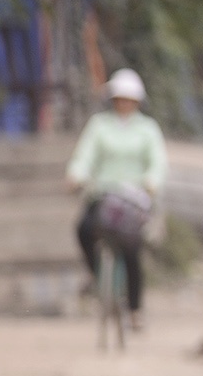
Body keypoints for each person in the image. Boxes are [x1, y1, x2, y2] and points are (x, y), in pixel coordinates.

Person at [68, 69, 168, 331]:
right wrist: (76, 176)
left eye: (129, 99)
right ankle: (95, 273)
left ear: (137, 102)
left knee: (132, 249)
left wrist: (151, 183)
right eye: (119, 98)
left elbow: (158, 163)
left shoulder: (147, 129)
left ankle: (135, 309)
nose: (123, 104)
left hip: (134, 200)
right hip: (103, 196)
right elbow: (84, 157)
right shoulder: (99, 125)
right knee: (84, 229)